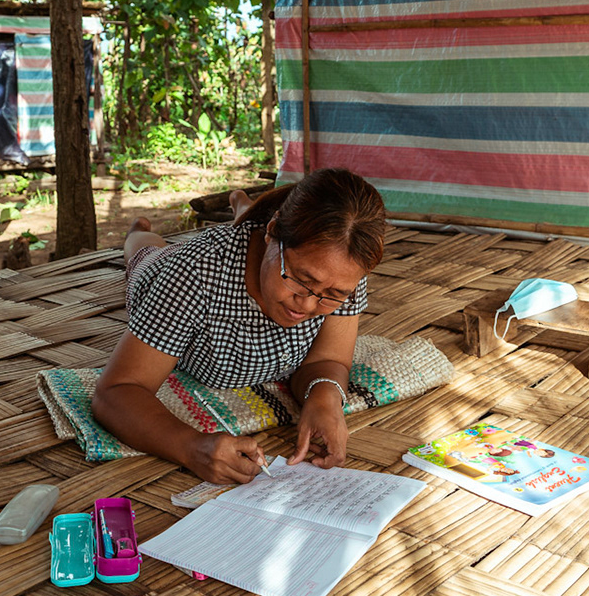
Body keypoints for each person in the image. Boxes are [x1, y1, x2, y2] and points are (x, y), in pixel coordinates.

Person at [91, 167, 388, 484]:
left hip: (249, 246)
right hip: (159, 271)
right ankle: (137, 231)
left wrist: (324, 396)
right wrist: (193, 447)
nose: (308, 304)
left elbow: (329, 359)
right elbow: (114, 393)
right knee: (145, 251)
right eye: (301, 280)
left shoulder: (342, 271)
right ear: (272, 231)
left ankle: (243, 205)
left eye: (332, 295)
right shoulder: (192, 274)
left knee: (251, 235)